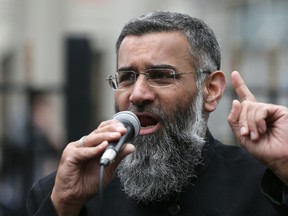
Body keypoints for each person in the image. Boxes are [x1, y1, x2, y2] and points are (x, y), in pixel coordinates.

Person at [26, 11, 288, 216]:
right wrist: (63, 206)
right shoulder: (65, 192)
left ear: (210, 90)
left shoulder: (265, 184)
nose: (138, 94)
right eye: (127, 77)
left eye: (161, 76)